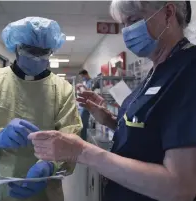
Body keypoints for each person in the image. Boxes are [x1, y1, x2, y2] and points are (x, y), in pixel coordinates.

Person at [28, 1, 196, 201]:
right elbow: (152, 135)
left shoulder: (189, 69)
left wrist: (82, 151)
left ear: (168, 13)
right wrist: (108, 119)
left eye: (133, 20)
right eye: (123, 24)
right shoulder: (158, 69)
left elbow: (180, 188)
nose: (126, 32)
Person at [0, 17, 82, 201]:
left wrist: (49, 165)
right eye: (31, 51)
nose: (37, 57)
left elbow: (71, 136)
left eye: (44, 52)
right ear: (16, 47)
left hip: (42, 187)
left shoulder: (62, 90)